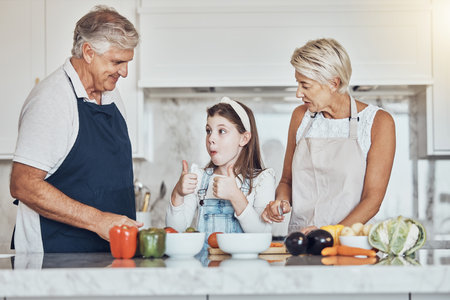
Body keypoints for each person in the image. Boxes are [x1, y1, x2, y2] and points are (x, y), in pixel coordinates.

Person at [9, 6, 142, 253]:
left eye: (127, 62)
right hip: (55, 258)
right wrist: (98, 220)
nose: (124, 72)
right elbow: (23, 184)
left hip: (107, 254)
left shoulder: (110, 93)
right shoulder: (52, 99)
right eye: (117, 62)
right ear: (88, 52)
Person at [261, 38, 396, 234]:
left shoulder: (379, 122)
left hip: (351, 243)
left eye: (305, 85)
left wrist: (330, 233)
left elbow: (372, 200)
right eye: (298, 84)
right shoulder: (301, 117)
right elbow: (287, 181)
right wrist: (281, 202)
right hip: (302, 240)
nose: (299, 93)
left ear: (333, 83)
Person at [166, 97, 275, 238]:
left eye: (222, 131)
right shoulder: (198, 178)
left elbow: (263, 234)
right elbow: (175, 232)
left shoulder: (262, 180)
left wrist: (236, 196)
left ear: (244, 138)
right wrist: (178, 195)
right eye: (208, 131)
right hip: (205, 260)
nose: (211, 138)